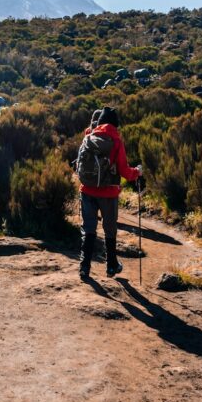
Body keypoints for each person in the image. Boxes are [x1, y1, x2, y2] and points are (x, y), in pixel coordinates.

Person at [76, 107, 142, 278]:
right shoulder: (116, 141)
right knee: (109, 229)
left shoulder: (88, 137)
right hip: (109, 193)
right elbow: (125, 172)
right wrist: (137, 172)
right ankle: (111, 266)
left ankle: (84, 267)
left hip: (87, 190)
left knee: (88, 229)